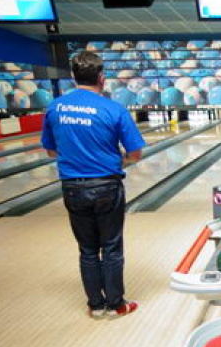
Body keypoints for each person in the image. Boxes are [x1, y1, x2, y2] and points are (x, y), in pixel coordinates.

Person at [41, 51, 144, 319]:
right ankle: (116, 304)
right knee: (111, 247)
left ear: (73, 77)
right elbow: (135, 154)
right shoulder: (114, 109)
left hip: (72, 187)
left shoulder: (55, 107)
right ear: (102, 77)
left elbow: (50, 151)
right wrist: (118, 160)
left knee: (87, 249)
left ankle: (95, 305)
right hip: (107, 185)